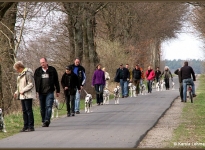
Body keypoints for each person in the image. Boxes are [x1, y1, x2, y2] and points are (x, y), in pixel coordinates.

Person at [34, 57, 60, 127]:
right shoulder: (37, 71)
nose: (42, 64)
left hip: (50, 91)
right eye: (41, 63)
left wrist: (58, 90)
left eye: (43, 62)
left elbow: (56, 81)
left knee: (49, 106)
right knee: (42, 108)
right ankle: (43, 120)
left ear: (46, 62)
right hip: (41, 92)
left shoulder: (52, 70)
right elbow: (35, 82)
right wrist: (36, 92)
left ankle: (47, 120)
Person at [13, 61, 36, 132]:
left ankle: (31, 126)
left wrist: (23, 90)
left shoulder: (28, 73)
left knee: (29, 110)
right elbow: (19, 85)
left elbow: (31, 84)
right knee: (24, 111)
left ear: (20, 67)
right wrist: (16, 92)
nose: (16, 71)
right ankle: (25, 126)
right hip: (22, 95)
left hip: (28, 94)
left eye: (17, 69)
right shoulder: (20, 75)